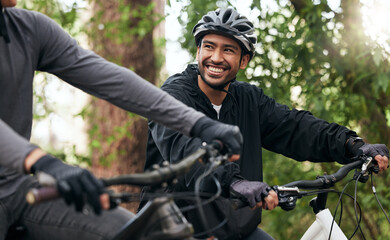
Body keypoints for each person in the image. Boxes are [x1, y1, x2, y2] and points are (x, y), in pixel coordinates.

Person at [0, 1, 244, 240]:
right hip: (25, 173)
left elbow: (111, 79)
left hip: (17, 189)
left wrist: (199, 124)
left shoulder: (28, 29)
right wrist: (42, 162)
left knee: (143, 232)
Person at [141, 7, 390, 240]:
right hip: (173, 228)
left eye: (228, 50)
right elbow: (185, 150)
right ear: (198, 51)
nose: (216, 58)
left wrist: (351, 144)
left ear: (243, 61)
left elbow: (296, 127)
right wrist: (235, 182)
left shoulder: (248, 100)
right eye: (209, 47)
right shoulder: (173, 96)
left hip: (233, 229)